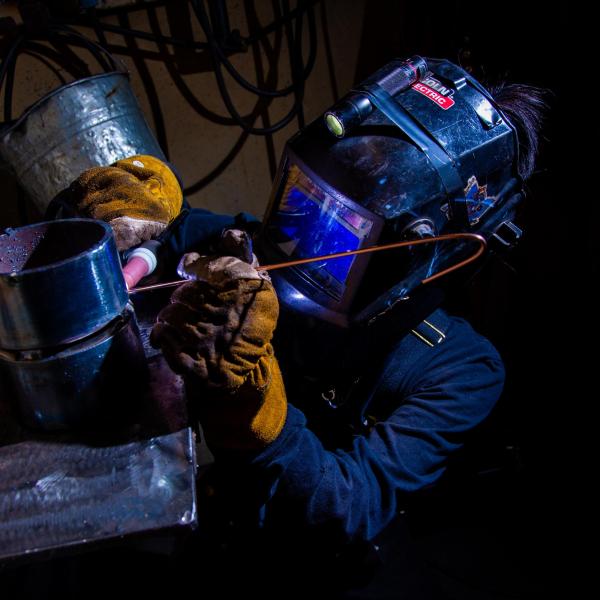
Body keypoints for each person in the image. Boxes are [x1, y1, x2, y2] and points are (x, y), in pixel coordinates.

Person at [64, 59, 545, 598]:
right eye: (303, 199)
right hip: (229, 535)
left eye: (343, 230)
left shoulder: (461, 368)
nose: (301, 244)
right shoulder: (263, 250)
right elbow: (165, 234)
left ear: (418, 252)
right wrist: (131, 223)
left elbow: (350, 505)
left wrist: (252, 402)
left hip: (332, 569)